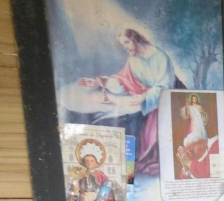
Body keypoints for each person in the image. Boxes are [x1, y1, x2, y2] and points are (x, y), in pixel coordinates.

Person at [77, 28, 181, 177]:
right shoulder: (133, 60)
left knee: (147, 132)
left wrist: (145, 96)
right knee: (114, 117)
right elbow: (122, 82)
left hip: (165, 102)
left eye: (126, 42)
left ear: (136, 38)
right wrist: (99, 82)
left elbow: (165, 86)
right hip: (144, 101)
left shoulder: (160, 57)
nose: (125, 47)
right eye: (122, 44)